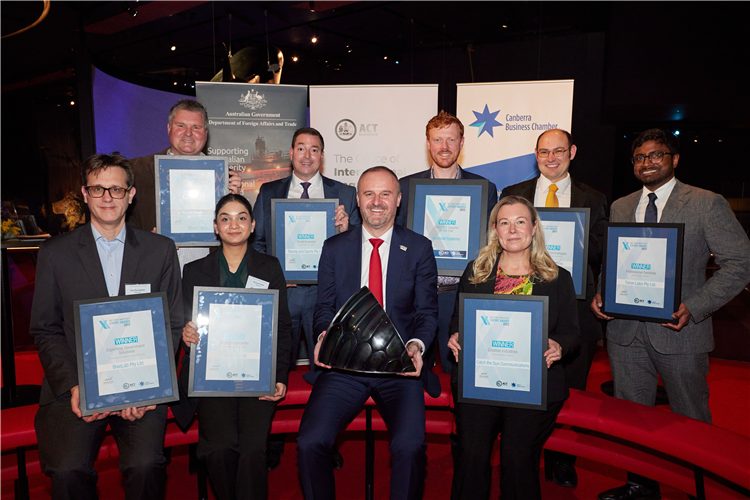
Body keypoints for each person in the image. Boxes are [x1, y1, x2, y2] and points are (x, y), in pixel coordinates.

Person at [591, 129, 750, 500]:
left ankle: (702, 487)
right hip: (625, 331)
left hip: (681, 331)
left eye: (656, 155)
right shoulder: (621, 205)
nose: (647, 163)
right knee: (632, 418)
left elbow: (740, 264)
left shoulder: (706, 203)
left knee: (691, 415)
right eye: (639, 158)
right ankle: (640, 485)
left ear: (674, 159)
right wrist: (602, 292)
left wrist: (695, 307)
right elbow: (615, 261)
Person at [30, 153, 183, 500]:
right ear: (85, 194)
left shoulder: (160, 250)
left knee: (146, 466)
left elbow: (172, 324)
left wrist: (146, 389)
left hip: (141, 387)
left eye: (116, 189)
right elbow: (45, 328)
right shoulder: (55, 253)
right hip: (76, 386)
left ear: (131, 195)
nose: (108, 198)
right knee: (68, 470)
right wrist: (73, 386)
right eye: (99, 189)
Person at [296, 166, 440, 500]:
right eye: (369, 194)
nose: (377, 202)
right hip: (345, 367)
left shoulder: (418, 248)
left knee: (410, 447)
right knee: (309, 443)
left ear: (398, 200)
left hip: (399, 369)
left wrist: (416, 346)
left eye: (385, 194)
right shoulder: (334, 248)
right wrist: (322, 336)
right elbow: (324, 307)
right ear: (358, 199)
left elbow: (427, 312)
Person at [447, 195, 581, 500]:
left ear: (534, 228)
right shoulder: (475, 272)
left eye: (520, 222)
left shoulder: (558, 278)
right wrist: (456, 337)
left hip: (533, 387)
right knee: (472, 455)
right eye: (504, 223)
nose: (513, 229)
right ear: (495, 230)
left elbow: (573, 334)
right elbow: (458, 321)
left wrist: (559, 345)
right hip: (480, 383)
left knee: (518, 457)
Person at [500, 128, 608, 487]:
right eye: (544, 152)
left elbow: (599, 251)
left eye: (559, 151)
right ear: (535, 154)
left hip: (572, 309)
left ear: (572, 152)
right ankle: (522, 451)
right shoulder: (513, 195)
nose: (551, 158)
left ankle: (562, 460)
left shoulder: (593, 198)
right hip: (517, 307)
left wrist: (570, 239)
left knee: (569, 390)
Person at [252, 126, 359, 469]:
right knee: (274, 366)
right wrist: (276, 279)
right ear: (291, 152)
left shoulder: (344, 192)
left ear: (322, 155)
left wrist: (346, 232)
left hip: (327, 298)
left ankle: (324, 439)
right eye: (301, 148)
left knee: (326, 369)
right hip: (285, 294)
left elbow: (361, 246)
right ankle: (270, 441)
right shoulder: (269, 192)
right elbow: (256, 245)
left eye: (315, 149)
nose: (308, 155)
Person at [177, 194, 292, 500]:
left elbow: (282, 327)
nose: (233, 224)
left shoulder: (269, 267)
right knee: (220, 448)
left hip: (257, 375)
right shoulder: (194, 272)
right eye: (225, 218)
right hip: (212, 379)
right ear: (216, 226)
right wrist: (187, 337)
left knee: (253, 449)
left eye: (241, 217)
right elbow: (187, 329)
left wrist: (279, 377)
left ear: (252, 225)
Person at [396, 111, 499, 374]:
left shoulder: (484, 188)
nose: (444, 147)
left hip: (460, 295)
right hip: (418, 295)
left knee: (461, 374)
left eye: (451, 140)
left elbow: (491, 243)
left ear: (462, 143)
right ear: (428, 143)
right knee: (413, 372)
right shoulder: (405, 187)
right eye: (438, 140)